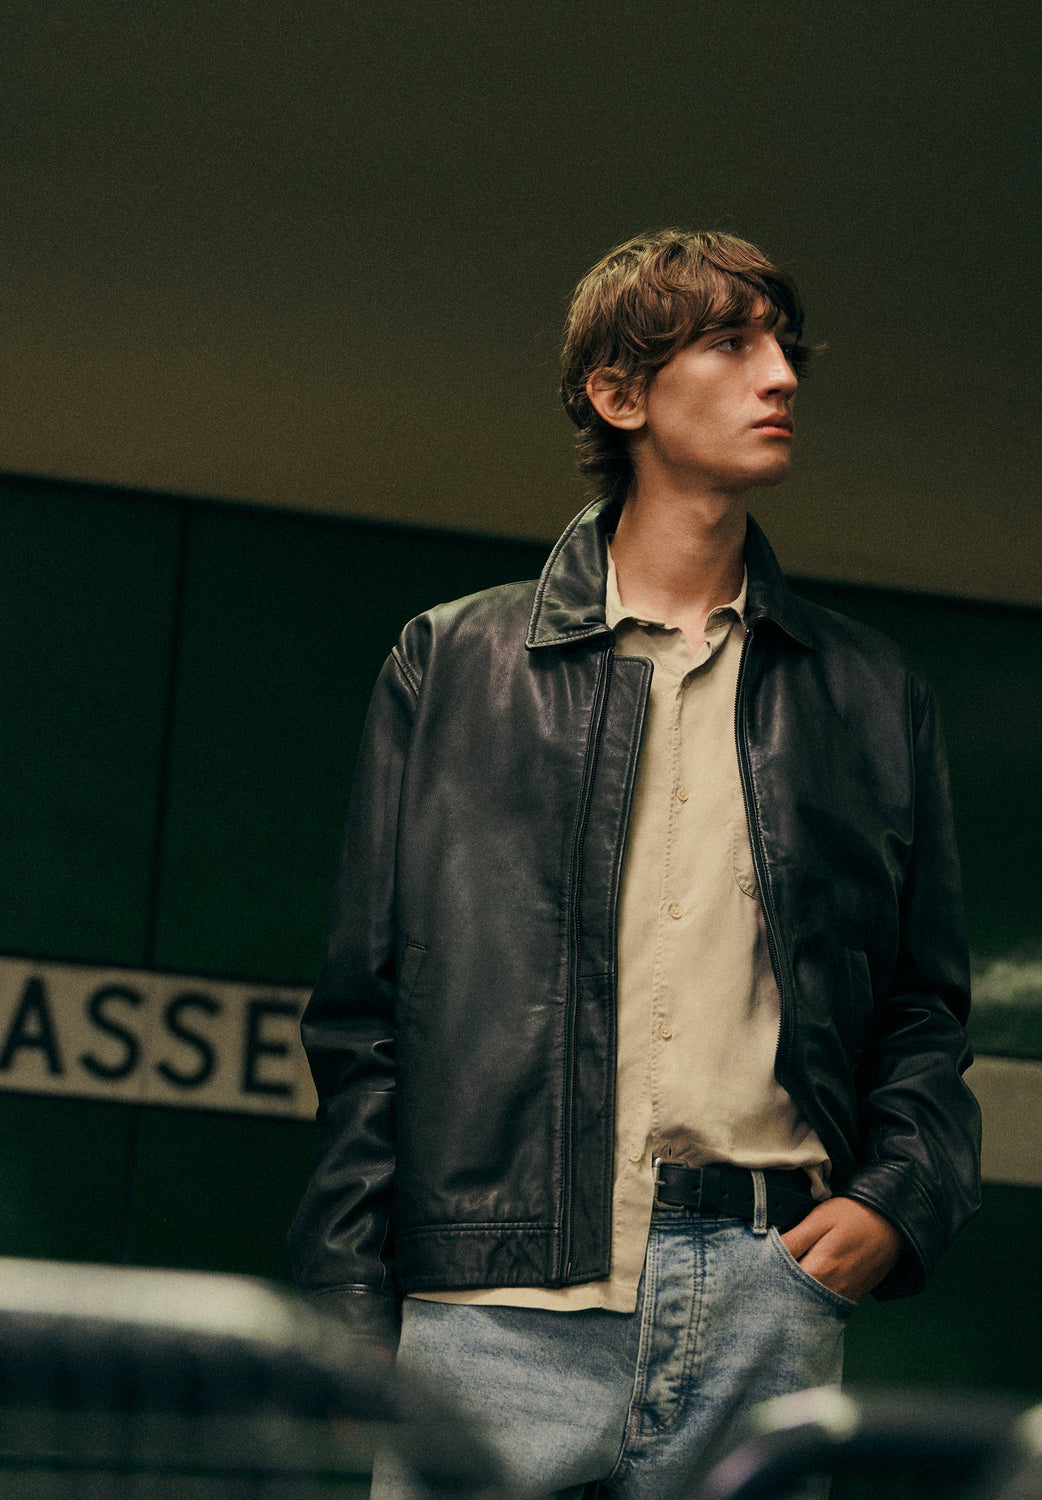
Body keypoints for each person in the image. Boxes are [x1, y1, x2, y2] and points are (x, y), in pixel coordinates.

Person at [287, 229, 982, 1498]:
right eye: (731, 344)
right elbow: (364, 1021)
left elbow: (924, 1012)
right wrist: (345, 1306)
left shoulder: (871, 694)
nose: (780, 375)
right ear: (619, 395)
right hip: (494, 1309)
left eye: (783, 346)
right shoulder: (452, 666)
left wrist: (899, 1199)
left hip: (770, 1301)